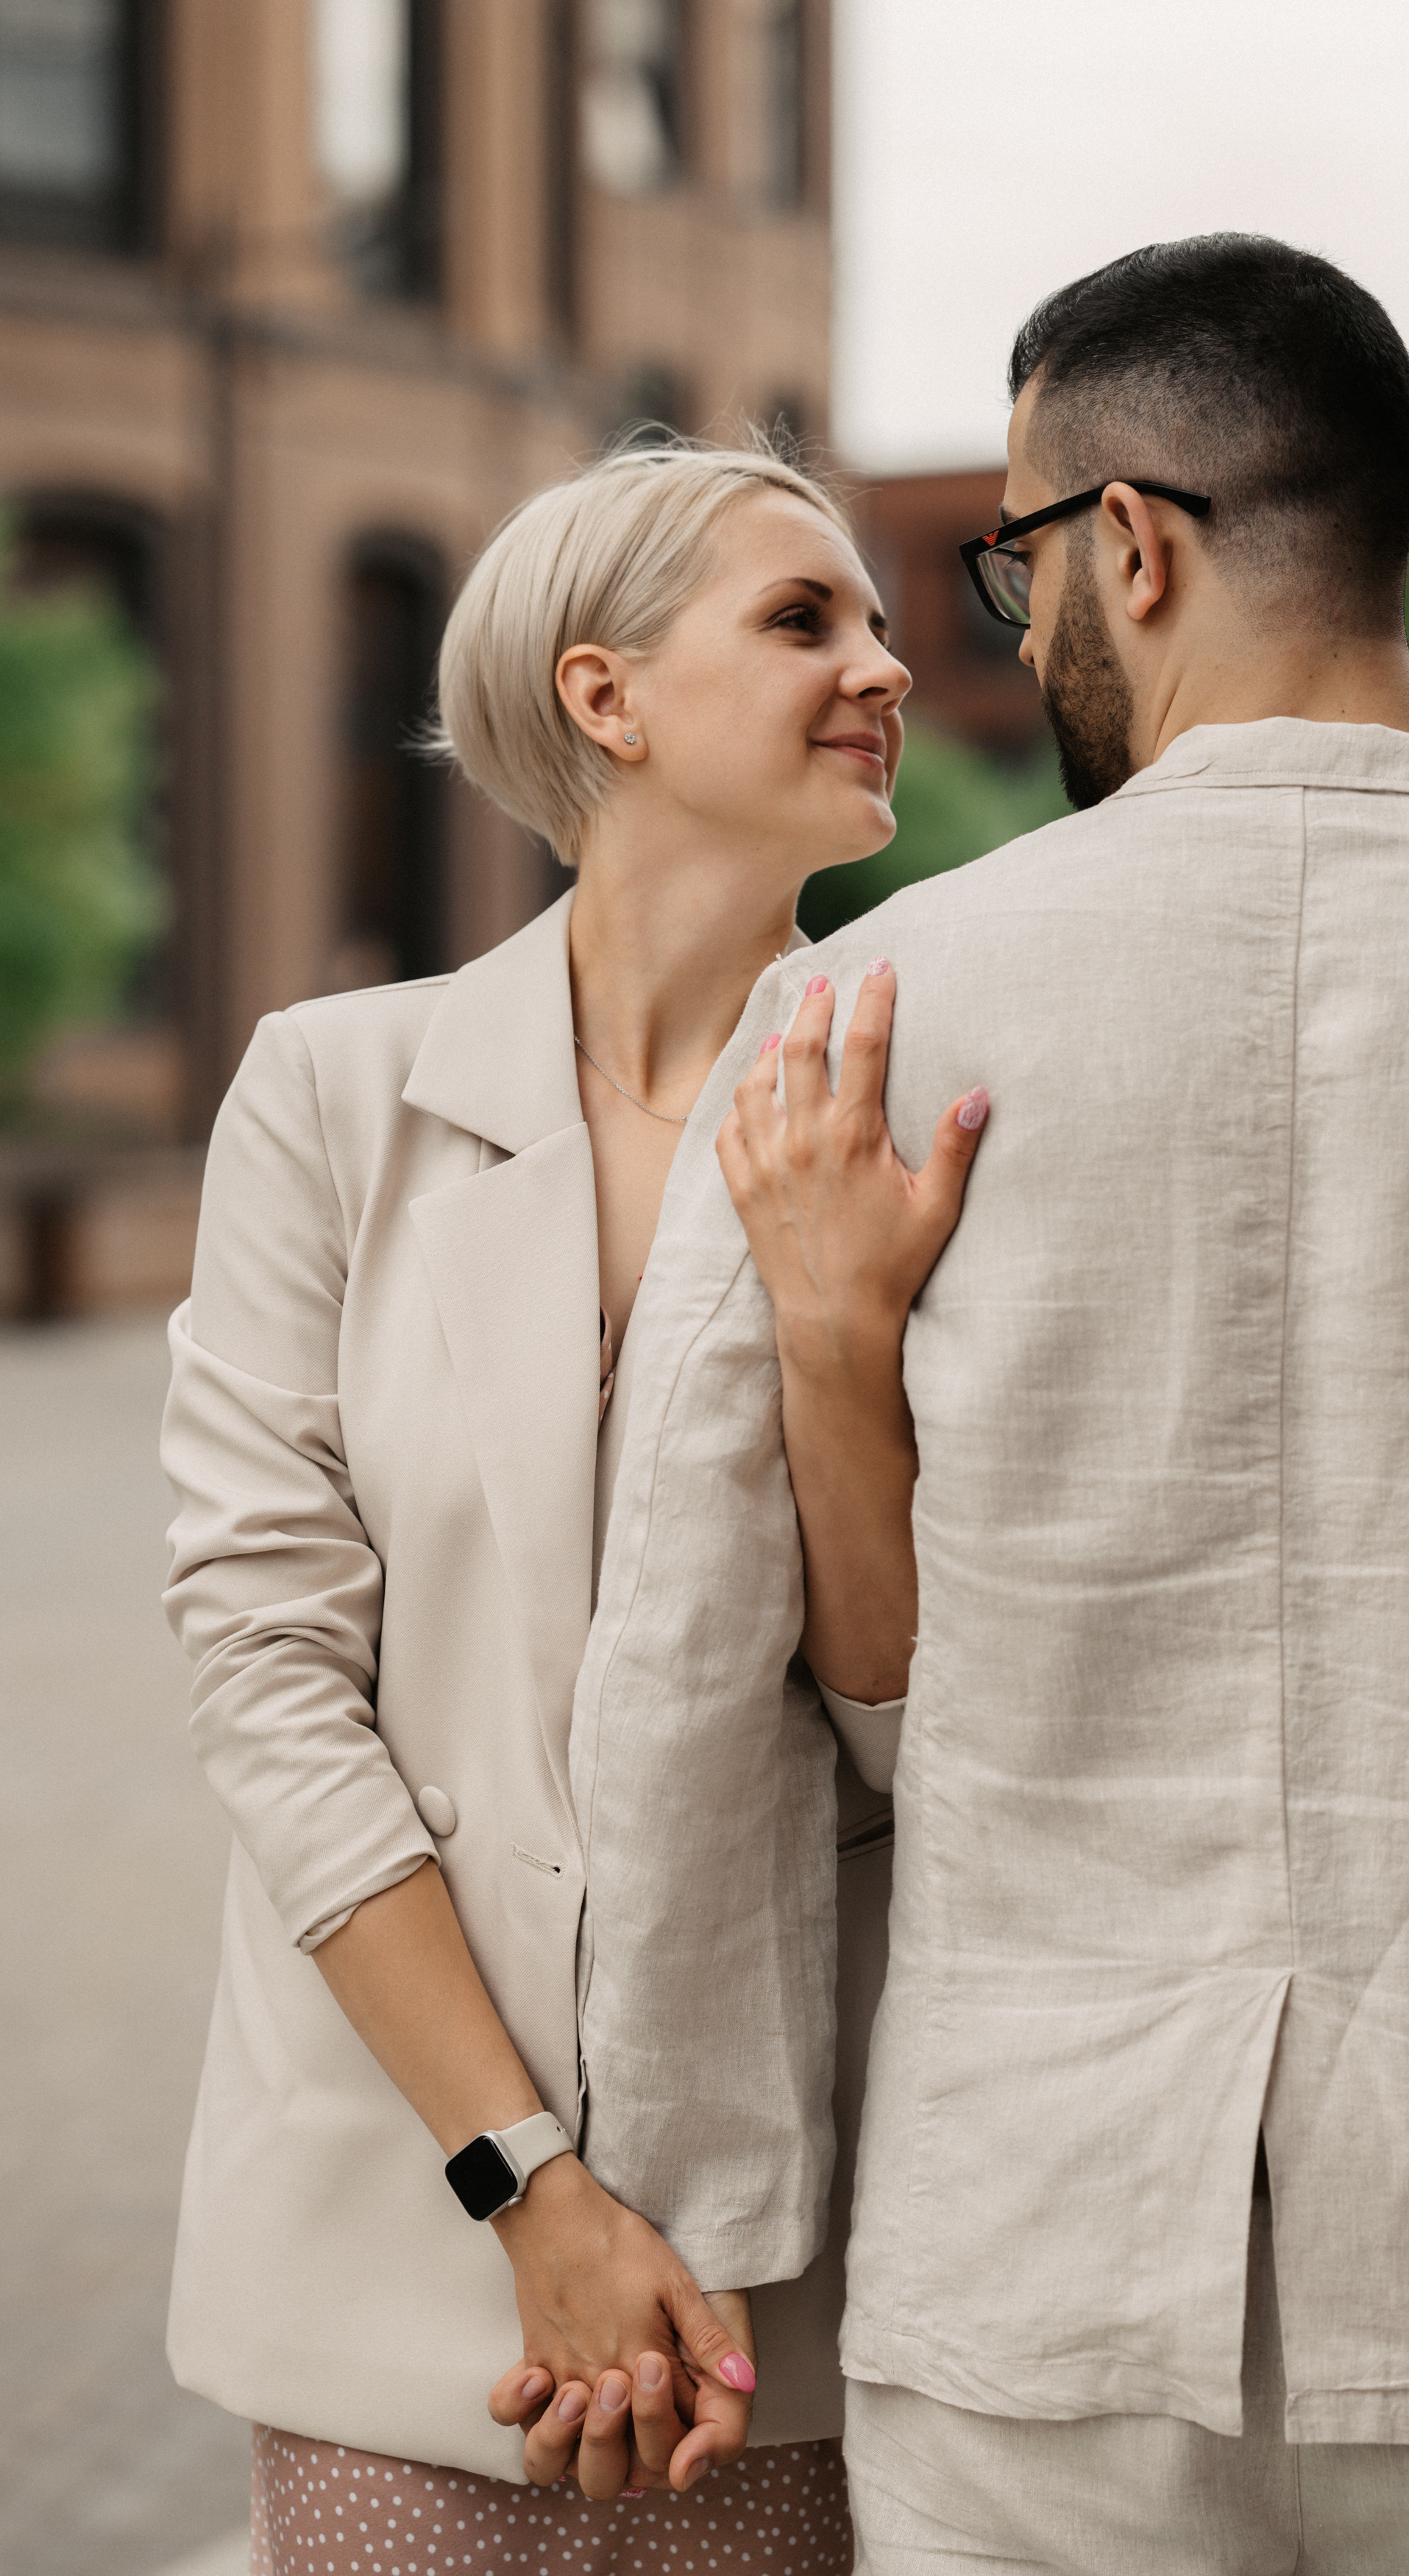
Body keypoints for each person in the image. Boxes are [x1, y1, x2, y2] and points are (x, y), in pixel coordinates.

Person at [556, 239, 1409, 2573]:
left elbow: (689, 1679)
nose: (1002, 626)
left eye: (1009, 558)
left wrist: (699, 2198)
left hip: (1039, 2258)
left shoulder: (863, 1017)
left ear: (1132, 545)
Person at [158, 436, 986, 2575]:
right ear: (604, 695)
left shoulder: (928, 1118)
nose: (882, 662)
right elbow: (265, 1670)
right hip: (393, 2226)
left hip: (770, 2287)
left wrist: (831, 1336)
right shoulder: (333, 1097)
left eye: (879, 619)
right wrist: (522, 2182)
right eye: (804, 617)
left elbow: (929, 1718)